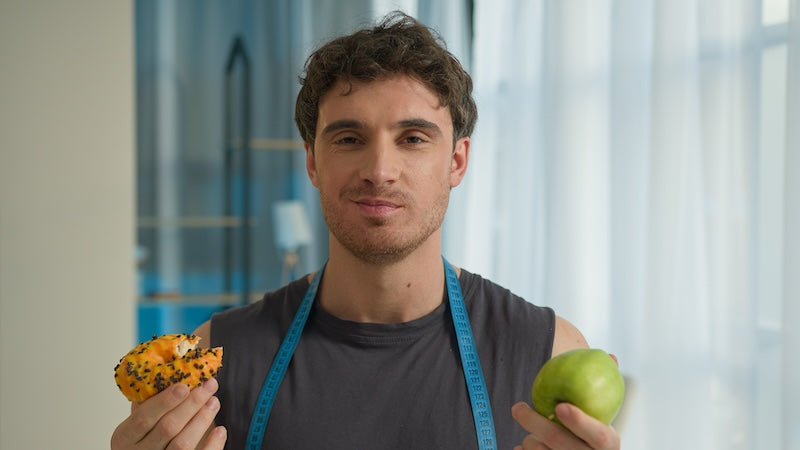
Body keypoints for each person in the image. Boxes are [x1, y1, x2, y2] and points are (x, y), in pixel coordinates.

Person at [111, 11, 621, 450]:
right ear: (313, 162)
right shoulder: (218, 361)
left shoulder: (547, 351)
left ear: (457, 162)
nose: (380, 169)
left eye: (414, 138)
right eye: (350, 138)